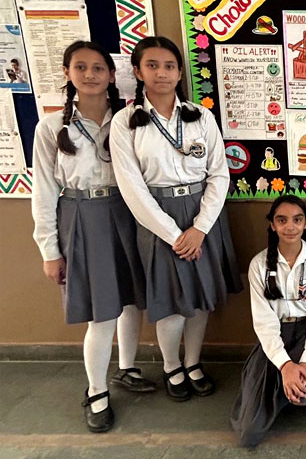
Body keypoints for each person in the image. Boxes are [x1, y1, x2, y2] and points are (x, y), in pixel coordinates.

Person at [109, 35, 242, 402]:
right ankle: (171, 366)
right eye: (152, 65)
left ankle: (193, 361)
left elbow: (219, 173)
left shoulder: (201, 116)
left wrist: (199, 228)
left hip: (203, 214)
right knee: (172, 301)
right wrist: (174, 235)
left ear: (181, 72)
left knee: (199, 298)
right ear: (138, 72)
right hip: (158, 219)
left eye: (169, 66)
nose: (162, 73)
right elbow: (132, 187)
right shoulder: (126, 122)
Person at [32, 41, 154, 433]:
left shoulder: (128, 120)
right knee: (102, 312)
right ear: (67, 73)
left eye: (98, 68)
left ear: (111, 74)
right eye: (80, 67)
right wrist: (50, 249)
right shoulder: (52, 127)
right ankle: (97, 391)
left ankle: (127, 368)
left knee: (132, 299)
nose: (89, 75)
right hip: (82, 215)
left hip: (126, 210)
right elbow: (44, 191)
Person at [230, 195, 306, 446]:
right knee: (248, 433)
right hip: (275, 335)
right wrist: (285, 365)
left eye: (297, 220)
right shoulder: (259, 265)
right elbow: (264, 322)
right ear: (272, 225)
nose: (290, 226)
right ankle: (275, 383)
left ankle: (305, 377)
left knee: (303, 393)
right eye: (282, 220)